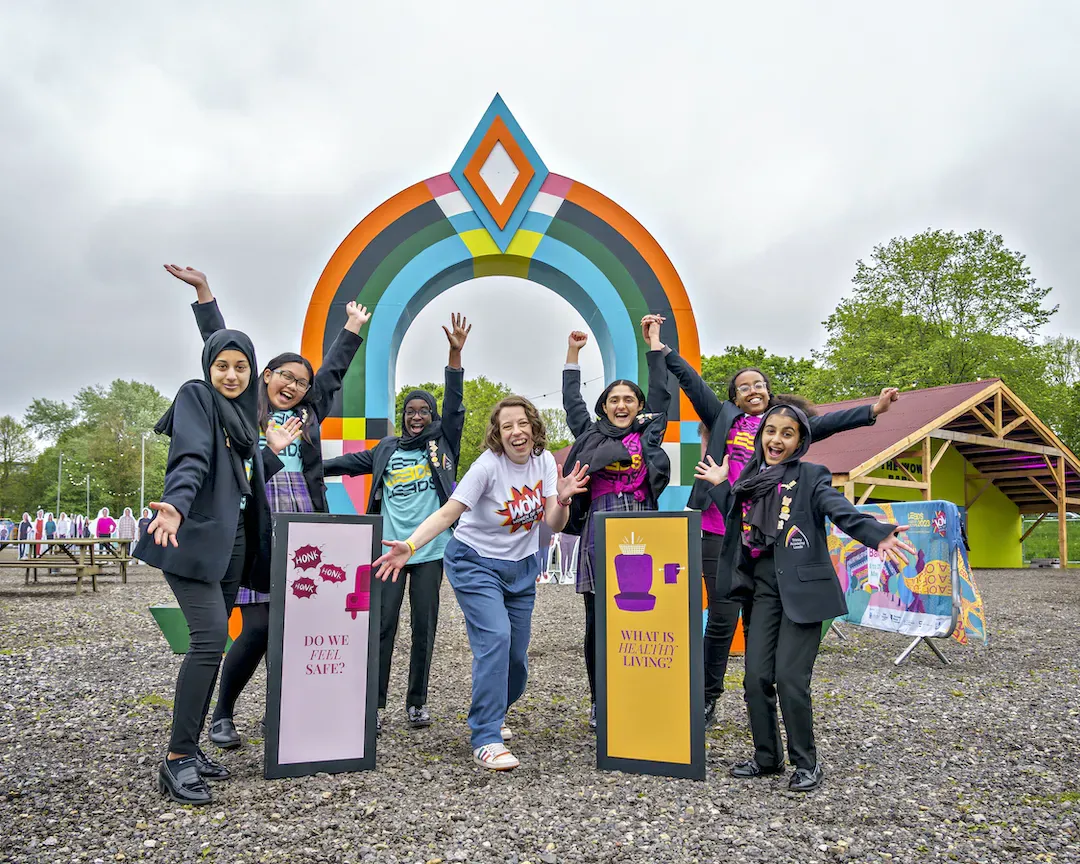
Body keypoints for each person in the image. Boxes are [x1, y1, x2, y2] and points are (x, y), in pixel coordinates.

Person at [644, 314, 900, 726]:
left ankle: (758, 702)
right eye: (743, 387)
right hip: (719, 529)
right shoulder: (723, 417)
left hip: (767, 536)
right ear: (734, 397)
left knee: (757, 619)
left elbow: (826, 425)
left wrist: (873, 408)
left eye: (759, 384)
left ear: (769, 393)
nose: (752, 390)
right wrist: (660, 346)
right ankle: (707, 699)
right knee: (723, 618)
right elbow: (691, 382)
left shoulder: (782, 428)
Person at [165, 263, 369, 750]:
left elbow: (334, 371)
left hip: (305, 522)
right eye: (284, 376)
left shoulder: (308, 412)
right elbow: (223, 346)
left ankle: (286, 715)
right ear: (266, 376)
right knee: (255, 626)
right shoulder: (240, 411)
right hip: (256, 520)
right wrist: (204, 294)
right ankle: (222, 713)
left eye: (302, 381)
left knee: (299, 625)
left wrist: (352, 329)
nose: (293, 386)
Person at [704, 402, 914, 792]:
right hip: (762, 591)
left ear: (800, 440)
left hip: (803, 590)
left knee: (789, 678)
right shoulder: (748, 477)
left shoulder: (811, 476)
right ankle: (767, 758)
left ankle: (807, 763)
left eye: (787, 433)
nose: (776, 439)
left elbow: (839, 510)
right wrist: (721, 485)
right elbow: (737, 517)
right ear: (760, 435)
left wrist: (875, 532)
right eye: (771, 431)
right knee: (754, 679)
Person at [374, 396, 591, 771]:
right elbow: (448, 513)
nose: (516, 431)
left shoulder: (544, 463)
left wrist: (564, 500)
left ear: (533, 427)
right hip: (474, 562)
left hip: (522, 567)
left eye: (521, 423)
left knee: (517, 662)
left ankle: (493, 710)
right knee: (496, 639)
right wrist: (409, 546)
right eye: (507, 426)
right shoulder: (486, 467)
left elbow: (552, 525)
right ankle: (485, 737)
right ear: (498, 433)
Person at [135, 327, 302, 805]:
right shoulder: (197, 397)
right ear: (208, 366)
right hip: (190, 536)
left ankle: (191, 746)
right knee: (209, 641)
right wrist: (175, 504)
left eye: (240, 366)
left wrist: (269, 451)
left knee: (213, 645)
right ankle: (178, 759)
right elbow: (190, 459)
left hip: (233, 546)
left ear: (253, 372)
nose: (231, 374)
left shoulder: (245, 420)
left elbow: (246, 480)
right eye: (221, 365)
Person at [323, 315, 470, 735]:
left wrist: (455, 354)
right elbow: (344, 464)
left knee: (423, 627)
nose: (417, 416)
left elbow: (456, 403)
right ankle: (376, 701)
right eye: (410, 411)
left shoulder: (442, 444)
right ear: (402, 415)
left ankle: (417, 702)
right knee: (382, 625)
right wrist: (303, 464)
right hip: (389, 554)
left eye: (424, 411)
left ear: (432, 415)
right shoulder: (386, 448)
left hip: (431, 551)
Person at [561, 325, 672, 730]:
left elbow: (661, 394)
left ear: (638, 406)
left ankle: (639, 692)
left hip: (643, 525)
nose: (621, 405)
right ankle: (599, 700)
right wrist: (573, 354)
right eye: (613, 400)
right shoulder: (591, 434)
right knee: (598, 619)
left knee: (642, 617)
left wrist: (654, 346)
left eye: (628, 399)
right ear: (604, 407)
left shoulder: (648, 433)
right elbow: (572, 403)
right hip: (600, 527)